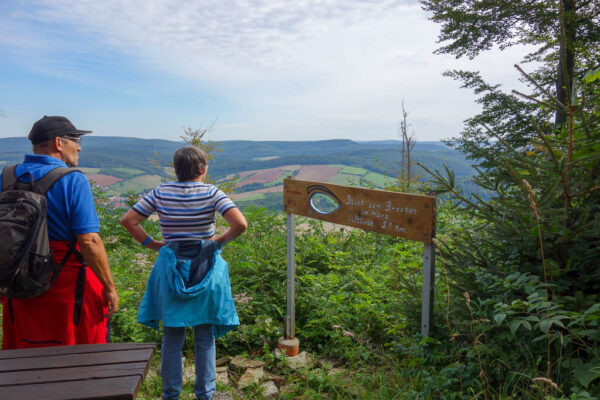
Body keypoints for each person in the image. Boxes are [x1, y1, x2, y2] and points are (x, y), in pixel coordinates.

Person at [120, 146, 247, 400]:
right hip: (206, 267)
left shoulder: (161, 192)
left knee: (172, 336)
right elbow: (240, 224)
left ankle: (170, 395)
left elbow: (128, 220)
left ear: (177, 170)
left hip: (171, 268)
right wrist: (218, 242)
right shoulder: (212, 192)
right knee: (205, 335)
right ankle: (205, 394)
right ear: (202, 169)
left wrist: (152, 244)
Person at [0, 115, 119, 349]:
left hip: (19, 285)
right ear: (58, 143)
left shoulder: (7, 176)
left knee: (25, 354)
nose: (79, 146)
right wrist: (109, 286)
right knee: (77, 355)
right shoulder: (73, 179)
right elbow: (90, 241)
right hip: (67, 285)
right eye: (75, 139)